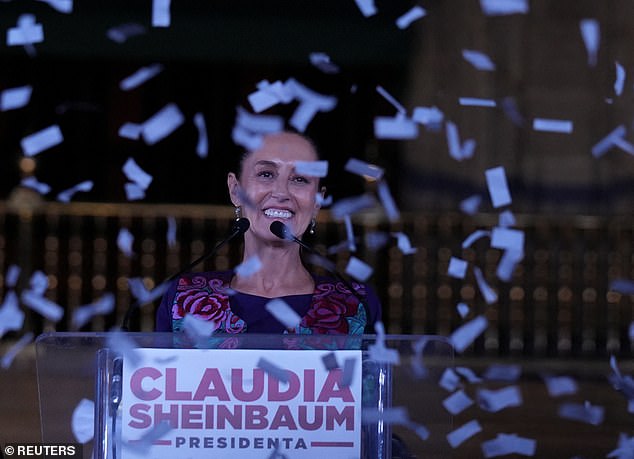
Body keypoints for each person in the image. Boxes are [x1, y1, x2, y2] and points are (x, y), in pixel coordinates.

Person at [155, 131, 381, 335]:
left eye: (300, 179)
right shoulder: (183, 299)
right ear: (236, 190)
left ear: (317, 201)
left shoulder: (356, 304)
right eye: (265, 174)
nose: (281, 192)